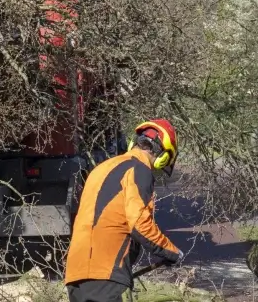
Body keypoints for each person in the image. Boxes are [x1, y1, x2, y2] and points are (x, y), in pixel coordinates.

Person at [64, 119, 182, 302]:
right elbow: (140, 224)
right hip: (108, 273)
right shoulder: (139, 170)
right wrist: (171, 252)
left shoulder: (101, 168)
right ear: (163, 156)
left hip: (75, 273)